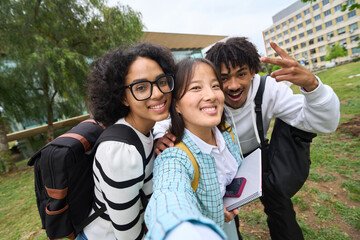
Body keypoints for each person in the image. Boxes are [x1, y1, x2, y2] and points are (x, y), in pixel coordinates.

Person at [154, 37, 340, 240]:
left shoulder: (268, 89)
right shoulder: (209, 103)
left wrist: (313, 86)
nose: (233, 86)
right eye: (222, 79)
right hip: (225, 162)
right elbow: (169, 192)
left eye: (241, 74)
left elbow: (324, 122)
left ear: (253, 71)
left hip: (259, 154)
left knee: (279, 205)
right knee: (229, 210)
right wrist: (158, 137)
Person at [78, 42, 175, 240]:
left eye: (162, 81)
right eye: (141, 87)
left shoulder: (146, 131)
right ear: (123, 98)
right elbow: (128, 236)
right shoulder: (121, 153)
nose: (157, 93)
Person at [144, 58, 243, 240]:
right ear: (176, 104)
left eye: (215, 86)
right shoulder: (174, 156)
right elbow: (168, 196)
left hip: (228, 225)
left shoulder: (225, 131)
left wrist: (225, 203)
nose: (211, 95)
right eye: (196, 88)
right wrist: (179, 230)